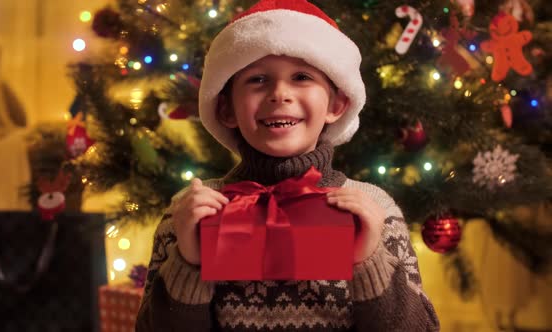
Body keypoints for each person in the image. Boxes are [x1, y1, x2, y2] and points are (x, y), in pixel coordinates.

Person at [136, 0, 440, 331]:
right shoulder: (191, 213)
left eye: (301, 77)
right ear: (226, 109)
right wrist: (188, 262)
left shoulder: (374, 210)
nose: (280, 93)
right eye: (257, 80)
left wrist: (369, 261)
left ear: (337, 104)